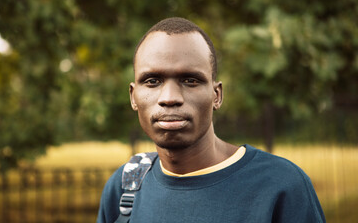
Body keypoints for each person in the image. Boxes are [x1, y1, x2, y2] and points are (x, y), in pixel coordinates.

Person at [96, 17, 326, 223]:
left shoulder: (280, 186)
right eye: (153, 81)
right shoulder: (126, 187)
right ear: (133, 96)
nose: (170, 98)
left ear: (217, 95)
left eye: (190, 80)